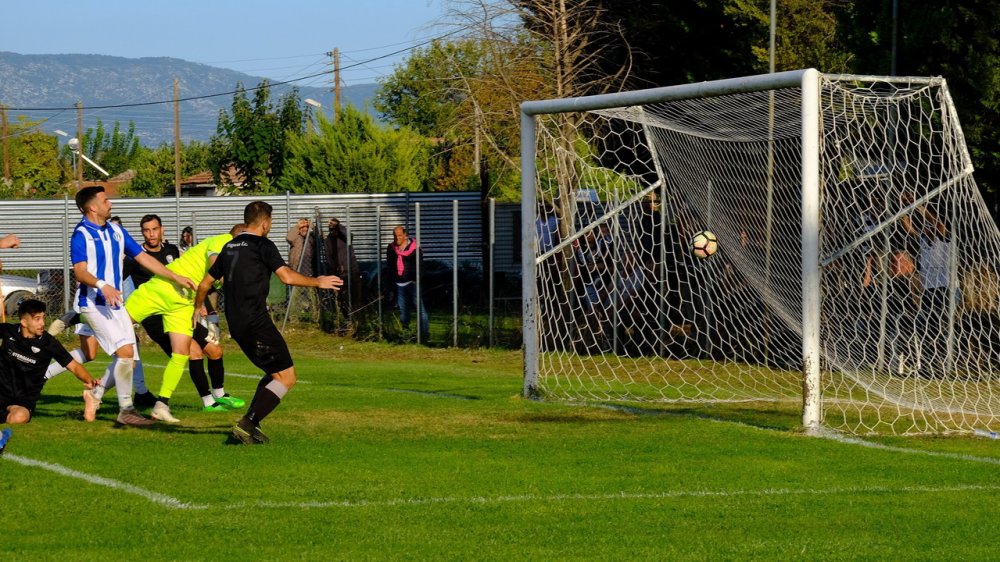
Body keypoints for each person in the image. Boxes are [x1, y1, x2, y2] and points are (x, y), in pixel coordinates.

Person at [194, 201, 341, 445]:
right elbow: (285, 276)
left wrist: (198, 307)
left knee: (273, 373)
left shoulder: (229, 247)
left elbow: (204, 284)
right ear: (265, 223)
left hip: (237, 323)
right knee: (287, 377)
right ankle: (248, 423)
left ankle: (251, 425)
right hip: (256, 321)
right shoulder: (263, 244)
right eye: (270, 222)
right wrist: (318, 282)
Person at [68, 186, 195, 426]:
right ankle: (126, 410)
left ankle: (94, 395)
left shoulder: (116, 230)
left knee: (130, 359)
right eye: (105, 200)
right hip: (94, 304)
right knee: (124, 354)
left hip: (115, 303)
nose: (110, 204)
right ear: (93, 207)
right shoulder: (81, 235)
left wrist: (174, 276)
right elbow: (80, 272)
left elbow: (143, 258)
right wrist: (102, 285)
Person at [122, 223, 247, 422]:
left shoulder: (172, 250)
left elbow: (203, 281)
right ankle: (78, 318)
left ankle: (162, 405)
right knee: (114, 328)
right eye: (147, 229)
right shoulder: (223, 241)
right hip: (159, 292)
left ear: (162, 230)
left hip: (183, 302)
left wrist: (200, 305)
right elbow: (216, 266)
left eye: (155, 229)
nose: (151, 234)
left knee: (185, 353)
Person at [0, 299, 100, 430]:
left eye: (43, 318)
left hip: (22, 401)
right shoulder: (8, 331)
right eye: (37, 319)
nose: (42, 323)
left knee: (19, 417)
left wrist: (90, 382)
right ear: (24, 322)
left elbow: (74, 366)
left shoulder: (48, 343)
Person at [386, 225, 429, 341]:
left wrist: (416, 279)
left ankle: (424, 335)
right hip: (399, 284)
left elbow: (420, 265)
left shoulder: (415, 248)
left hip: (412, 283)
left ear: (405, 235)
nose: (397, 238)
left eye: (399, 235)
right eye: (395, 235)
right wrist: (391, 283)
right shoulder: (391, 248)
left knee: (420, 310)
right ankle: (406, 334)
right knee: (403, 312)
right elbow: (389, 266)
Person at [324, 217, 360, 332]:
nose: (330, 225)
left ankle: (357, 323)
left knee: (355, 297)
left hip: (352, 271)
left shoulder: (344, 236)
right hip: (340, 274)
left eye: (332, 224)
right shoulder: (328, 239)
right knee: (343, 299)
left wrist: (338, 225)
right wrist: (334, 269)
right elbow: (329, 257)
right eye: (329, 224)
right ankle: (347, 321)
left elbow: (349, 235)